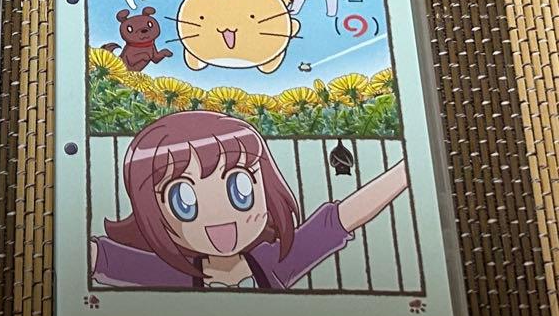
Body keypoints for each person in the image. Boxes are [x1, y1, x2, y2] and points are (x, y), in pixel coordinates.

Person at [90, 111, 409, 289]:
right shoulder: (169, 273)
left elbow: (339, 220)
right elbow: (96, 258)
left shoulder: (275, 261)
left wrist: (411, 168)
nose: (220, 217)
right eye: (184, 201)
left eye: (240, 190)